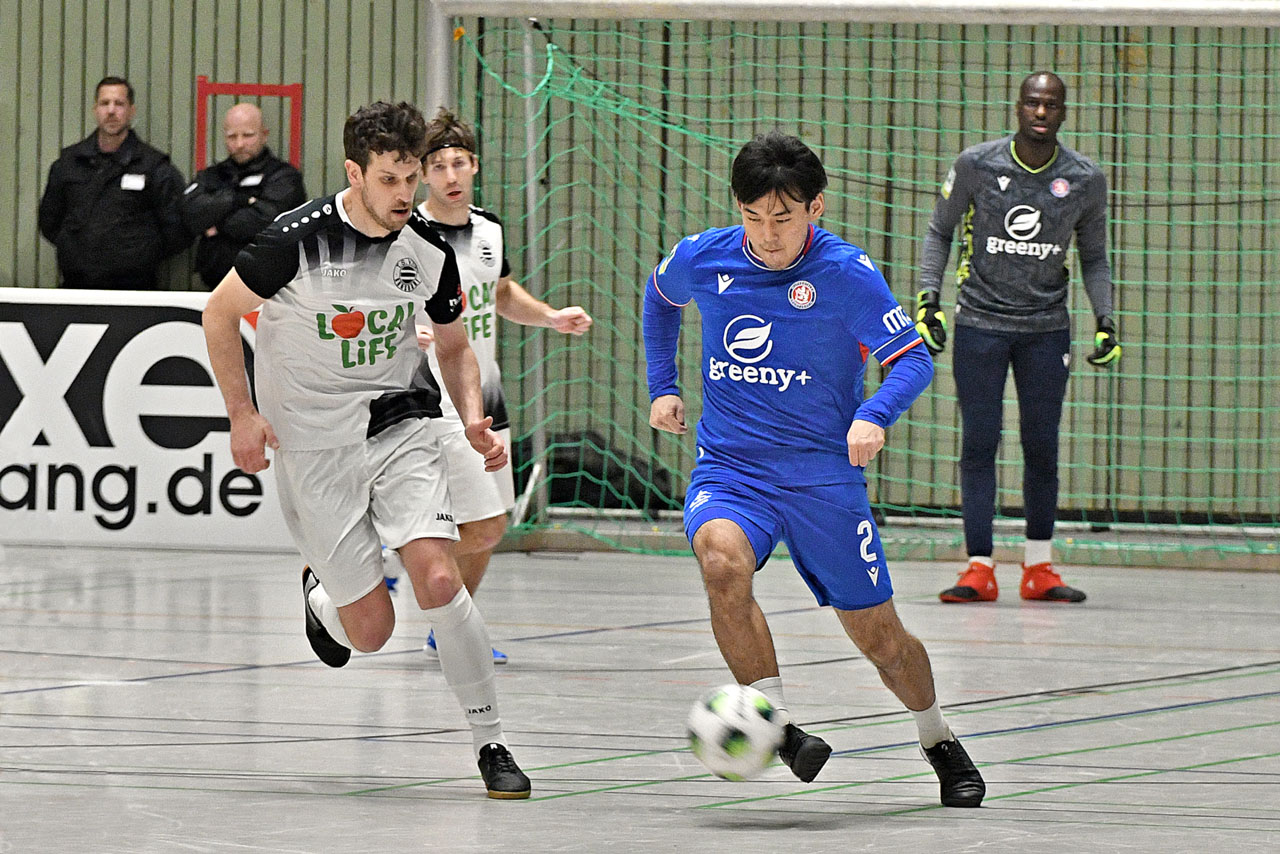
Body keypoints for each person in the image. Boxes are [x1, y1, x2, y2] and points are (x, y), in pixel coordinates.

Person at [644, 130, 985, 807]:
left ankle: (937, 736)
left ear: (815, 208)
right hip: (733, 467)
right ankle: (776, 726)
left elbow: (911, 358)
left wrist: (875, 414)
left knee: (883, 642)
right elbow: (660, 299)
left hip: (823, 478)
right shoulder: (703, 258)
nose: (767, 236)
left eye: (783, 218)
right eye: (753, 218)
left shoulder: (845, 274)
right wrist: (663, 383)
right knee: (720, 561)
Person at [201, 101, 530, 799]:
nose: (406, 195)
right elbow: (219, 314)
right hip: (315, 447)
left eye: (412, 178)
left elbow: (454, 348)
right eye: (390, 180)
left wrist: (472, 417)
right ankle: (323, 591)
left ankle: (491, 741)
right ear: (354, 172)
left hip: (400, 426)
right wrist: (241, 414)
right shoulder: (293, 240)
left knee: (438, 579)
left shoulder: (428, 252)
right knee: (370, 633)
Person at [388, 107, 592, 664]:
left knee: (488, 529)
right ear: (422, 174)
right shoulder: (404, 232)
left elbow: (500, 295)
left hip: (485, 396)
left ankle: (433, 602)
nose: (451, 175)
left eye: (459, 163)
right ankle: (430, 594)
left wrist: (549, 317)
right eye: (439, 165)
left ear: (474, 166)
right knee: (471, 520)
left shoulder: (489, 229)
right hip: (425, 397)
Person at [916, 71, 1122, 605]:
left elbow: (1095, 257)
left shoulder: (1084, 179)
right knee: (980, 442)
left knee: (1042, 446)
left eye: (1051, 105)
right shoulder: (977, 165)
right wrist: (927, 300)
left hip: (1046, 330)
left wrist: (1106, 319)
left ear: (1063, 113)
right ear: (1017, 107)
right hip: (980, 324)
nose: (1040, 112)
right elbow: (940, 230)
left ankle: (1039, 568)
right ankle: (979, 568)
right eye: (1032, 102)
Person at [38, 76, 188, 289]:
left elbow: (177, 229)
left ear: (131, 111)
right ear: (95, 110)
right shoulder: (69, 163)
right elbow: (49, 221)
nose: (111, 111)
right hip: (77, 287)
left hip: (137, 290)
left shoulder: (153, 165)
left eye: (119, 104)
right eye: (104, 103)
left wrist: (140, 254)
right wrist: (73, 248)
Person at [180, 103, 307, 289]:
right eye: (232, 136)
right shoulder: (211, 175)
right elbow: (190, 213)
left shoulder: (285, 177)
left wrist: (217, 225)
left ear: (264, 135)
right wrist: (239, 200)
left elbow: (268, 222)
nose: (239, 144)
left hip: (269, 289)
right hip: (214, 286)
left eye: (248, 135)